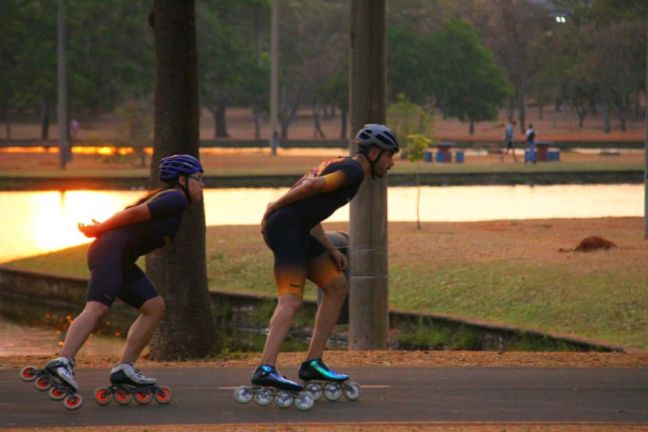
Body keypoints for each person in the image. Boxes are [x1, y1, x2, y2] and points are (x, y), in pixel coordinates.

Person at [251, 124, 399, 391]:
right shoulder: (353, 171)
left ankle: (312, 363)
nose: (392, 163)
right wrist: (274, 205)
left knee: (336, 287)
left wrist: (330, 249)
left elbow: (309, 211)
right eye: (390, 155)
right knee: (291, 300)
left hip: (297, 228)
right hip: (285, 229)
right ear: (375, 152)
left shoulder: (350, 169)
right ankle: (265, 368)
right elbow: (312, 186)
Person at [44, 154, 205, 392]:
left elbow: (134, 217)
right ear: (182, 179)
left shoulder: (173, 200)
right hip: (110, 253)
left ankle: (124, 369)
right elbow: (133, 215)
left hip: (121, 258)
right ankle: (62, 362)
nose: (202, 185)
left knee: (154, 307)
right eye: (199, 179)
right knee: (96, 308)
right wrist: (99, 228)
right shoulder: (175, 198)